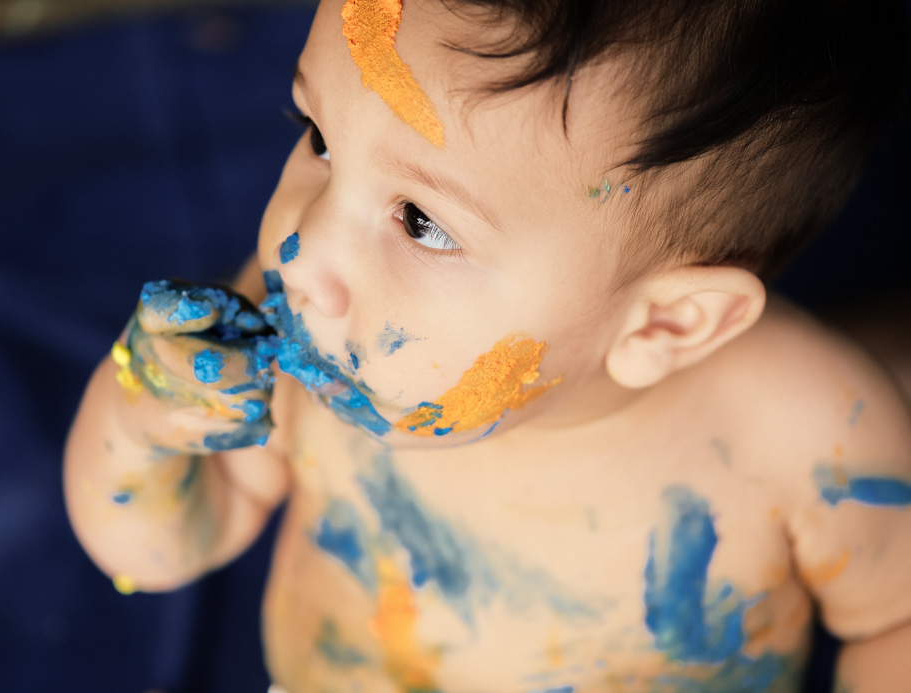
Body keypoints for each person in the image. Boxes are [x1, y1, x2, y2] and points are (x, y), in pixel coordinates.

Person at [64, 0, 911, 690]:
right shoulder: (305, 334)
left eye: (422, 222)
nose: (303, 252)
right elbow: (159, 547)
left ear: (666, 324)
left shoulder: (808, 438)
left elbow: (896, 619)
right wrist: (144, 422)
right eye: (319, 136)